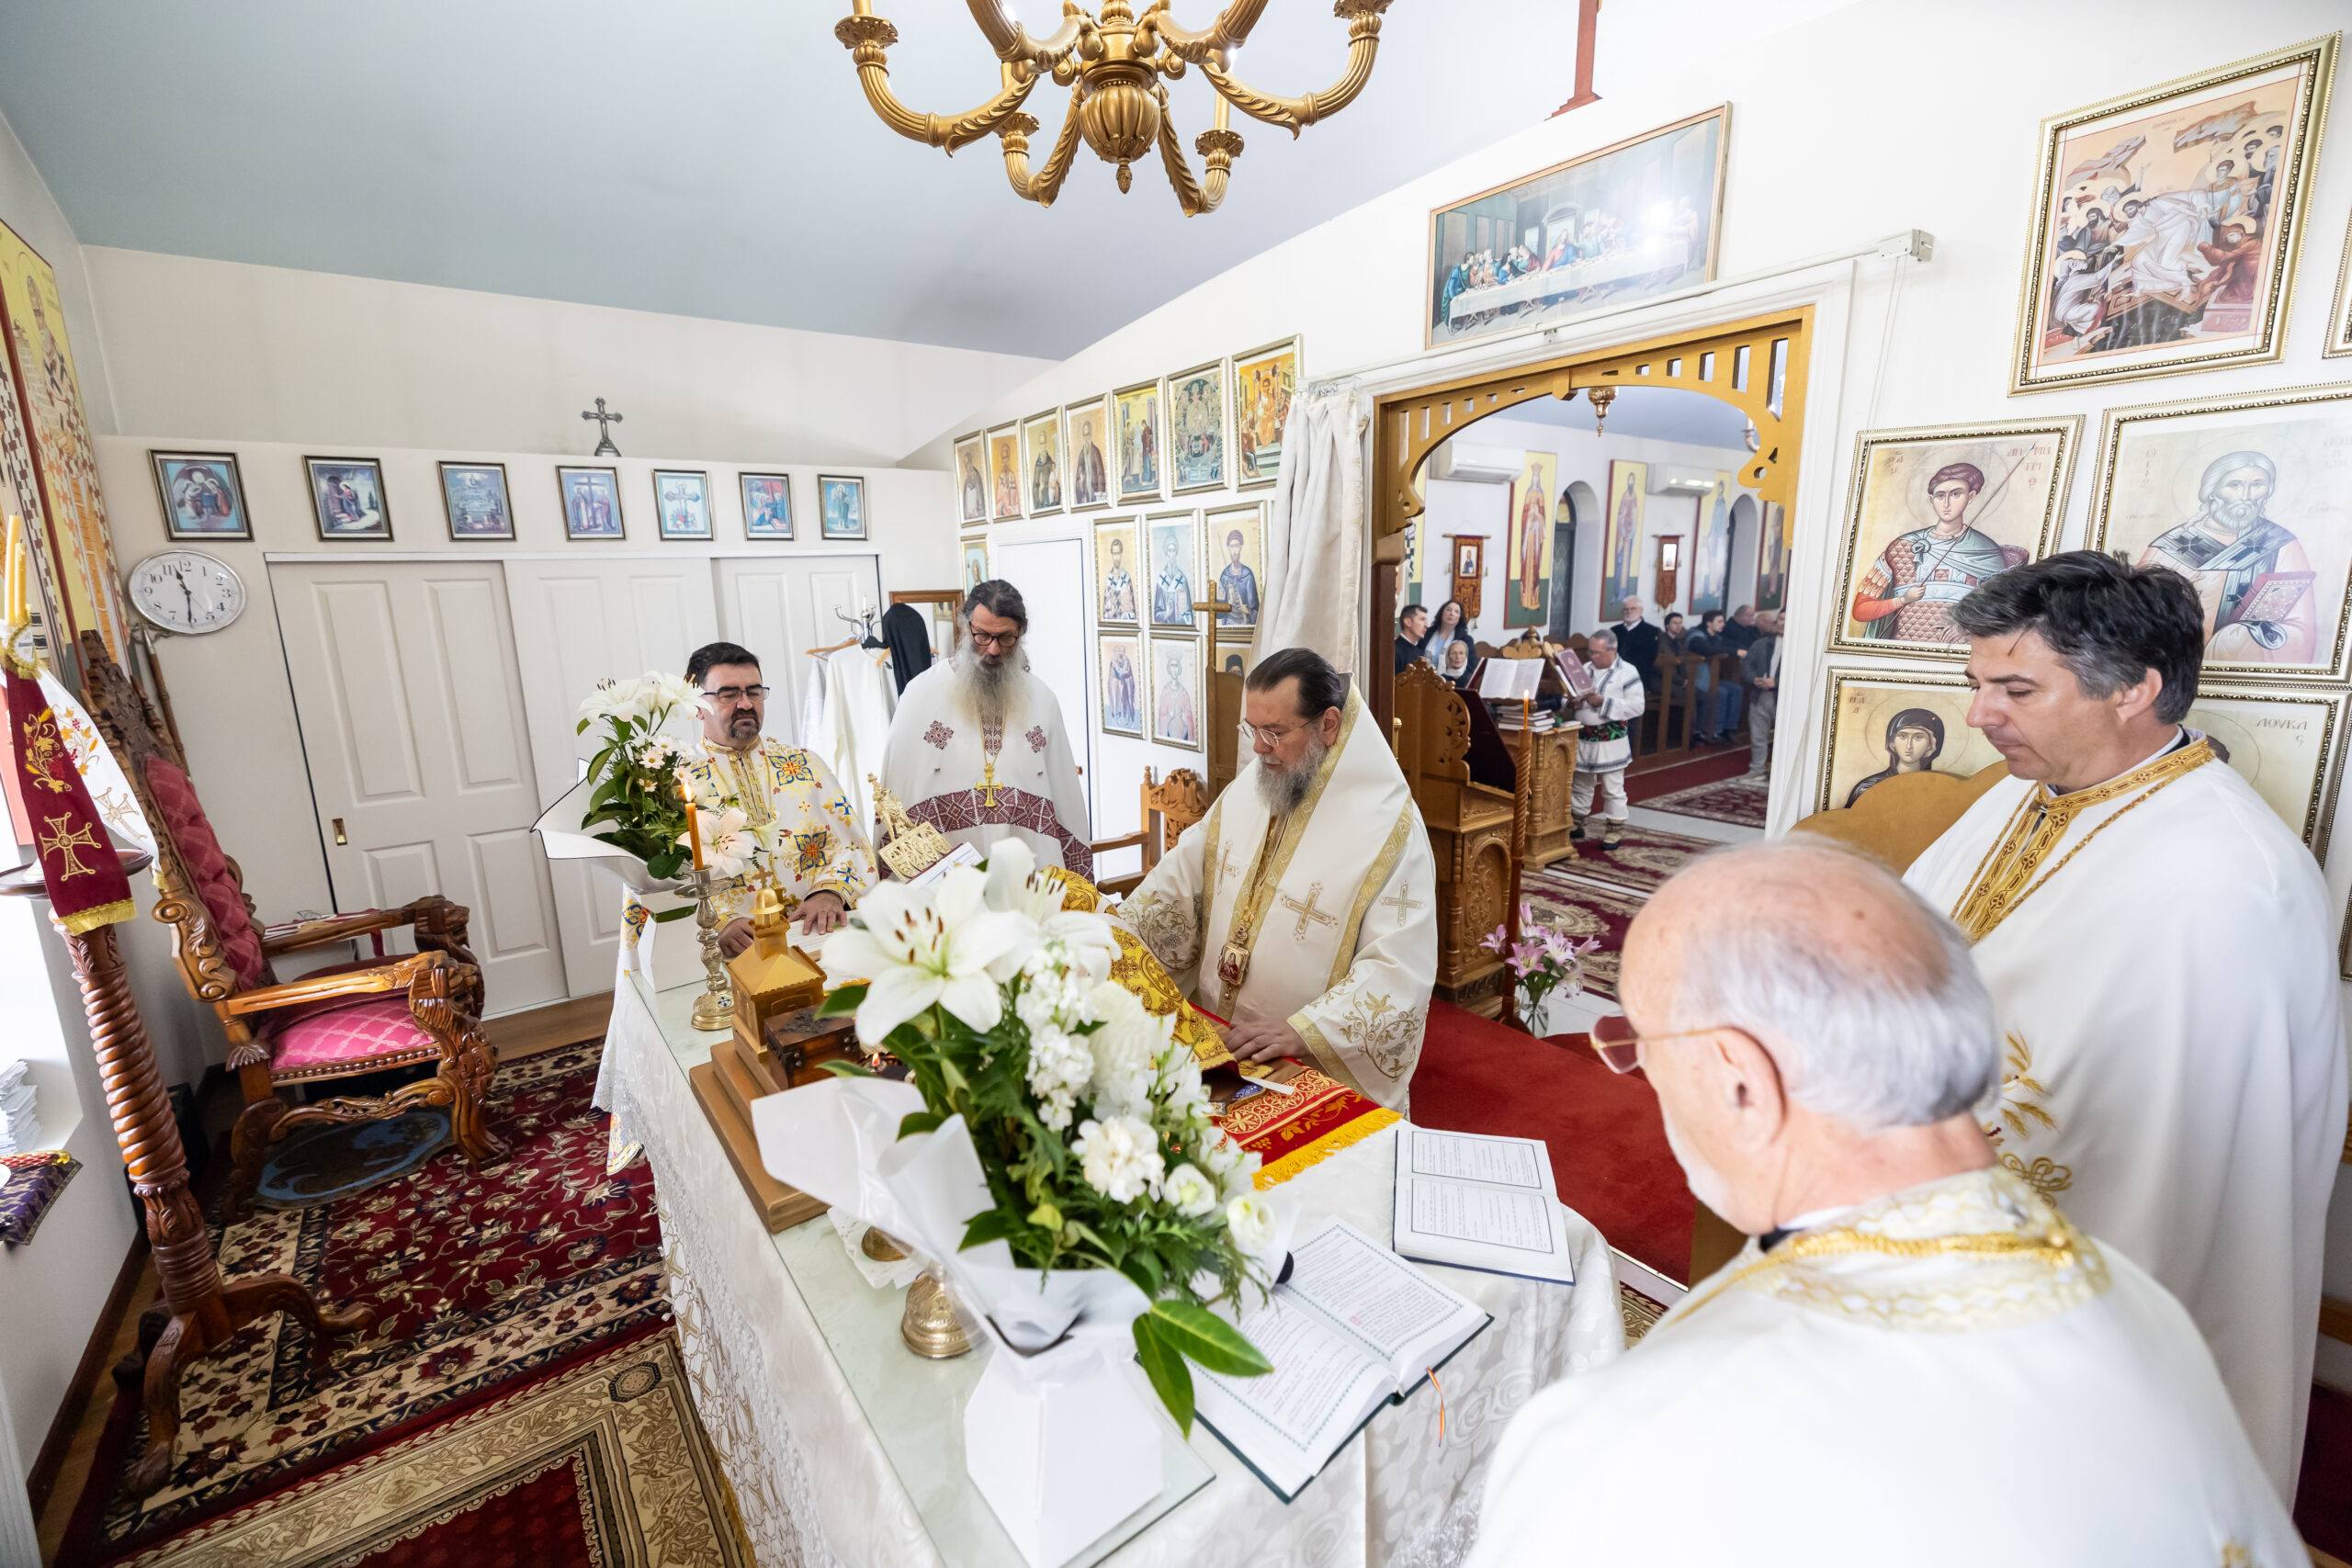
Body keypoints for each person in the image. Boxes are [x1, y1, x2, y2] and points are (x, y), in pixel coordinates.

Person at [1471, 840, 2304, 1568]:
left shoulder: (1633, 1447)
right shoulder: (2141, 1301)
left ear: (1740, 1082)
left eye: (1639, 1047)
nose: (1641, 1075)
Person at [1903, 552, 2345, 1501]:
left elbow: (2164, 1183)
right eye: (1977, 683)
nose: (1977, 714)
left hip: (2072, 1281)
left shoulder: (2224, 883)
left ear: (2133, 690)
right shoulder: (2021, 794)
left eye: (2015, 688)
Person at [1115, 649, 1437, 1111]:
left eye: (1275, 732)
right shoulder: (1252, 788)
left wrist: (1305, 1031)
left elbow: (1399, 967)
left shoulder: (1390, 828)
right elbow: (1182, 876)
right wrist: (1114, 937)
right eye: (1252, 729)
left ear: (1328, 725)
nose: (1258, 748)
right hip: (1217, 1043)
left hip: (1308, 1068)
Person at [673, 641, 876, 960]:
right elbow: (665, 884)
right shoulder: (677, 782)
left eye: (754, 692)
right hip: (738, 955)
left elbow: (853, 846)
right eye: (728, 694)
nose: (745, 704)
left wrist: (830, 892)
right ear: (697, 704)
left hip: (817, 940)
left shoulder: (806, 764)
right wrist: (720, 922)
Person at [877, 580, 1094, 875]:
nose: (993, 649)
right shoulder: (920, 696)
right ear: (965, 627)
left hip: (1027, 880)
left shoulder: (1043, 701)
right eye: (982, 635)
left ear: (1021, 634)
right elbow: (896, 801)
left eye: (1006, 638)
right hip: (943, 883)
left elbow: (1065, 798)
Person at [2135, 449, 2314, 664]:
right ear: (2212, 491)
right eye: (2234, 485)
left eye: (2257, 485)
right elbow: (2137, 618)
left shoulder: (2281, 544)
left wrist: (2241, 637)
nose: (2246, 496)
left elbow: (2301, 628)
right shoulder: (2170, 547)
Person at [1849, 462, 2027, 645]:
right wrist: (1902, 600)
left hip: (1957, 653)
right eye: (1940, 496)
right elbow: (1861, 610)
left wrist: (1968, 629)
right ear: (1931, 499)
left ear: (1971, 496)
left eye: (1956, 494)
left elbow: (2006, 616)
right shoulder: (1901, 547)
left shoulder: (1987, 551)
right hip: (1900, 649)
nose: (1947, 504)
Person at [1569, 627, 1644, 851]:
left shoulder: (1627, 672)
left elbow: (1637, 706)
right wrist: (1572, 701)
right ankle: (1576, 821)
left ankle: (1614, 828)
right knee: (1581, 782)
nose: (1591, 656)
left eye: (1596, 653)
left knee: (1612, 786)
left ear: (1613, 651)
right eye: (1590, 651)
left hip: (1611, 738)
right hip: (1584, 736)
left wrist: (1604, 702)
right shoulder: (1584, 669)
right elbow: (1568, 696)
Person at [1844, 707, 1944, 807]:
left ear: (1931, 745)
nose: (1909, 746)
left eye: (1918, 737)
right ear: (1892, 743)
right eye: (1902, 736)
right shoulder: (1868, 789)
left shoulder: (1941, 789)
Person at [1687, 609, 1741, 743]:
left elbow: (1728, 644)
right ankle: (1712, 731)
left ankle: (1728, 729)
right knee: (1721, 692)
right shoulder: (1696, 637)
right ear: (1709, 623)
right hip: (1697, 678)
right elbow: (1708, 650)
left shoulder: (1716, 637)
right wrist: (1735, 651)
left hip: (1711, 677)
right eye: (1720, 621)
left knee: (1736, 689)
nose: (1723, 624)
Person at [1744, 611, 1781, 776]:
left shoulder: (1801, 646)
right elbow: (1747, 665)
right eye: (1781, 619)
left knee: (1784, 737)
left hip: (1784, 697)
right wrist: (1754, 679)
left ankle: (1780, 773)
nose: (1783, 623)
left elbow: (1804, 673)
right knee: (1758, 734)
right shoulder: (1761, 644)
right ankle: (1757, 769)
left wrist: (1777, 682)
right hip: (1760, 694)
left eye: (1787, 620)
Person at [1216, 528, 1260, 629]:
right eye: (1232, 546)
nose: (1234, 551)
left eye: (1236, 546)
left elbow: (1257, 610)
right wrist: (1228, 603)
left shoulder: (1248, 575)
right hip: (1228, 627)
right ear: (1228, 548)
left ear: (1241, 547)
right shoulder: (1225, 576)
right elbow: (1218, 613)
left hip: (1245, 626)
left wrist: (1248, 611)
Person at [1613, 598, 1660, 691]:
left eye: (1633, 608)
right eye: (1626, 609)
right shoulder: (1614, 631)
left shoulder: (1652, 631)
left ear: (1641, 610)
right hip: (1615, 675)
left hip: (1639, 676)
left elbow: (1648, 659)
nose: (1629, 612)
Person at [1154, 649, 1197, 743]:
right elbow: (1161, 716)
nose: (1174, 669)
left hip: (1183, 734)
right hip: (1169, 733)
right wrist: (1169, 717)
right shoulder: (1165, 691)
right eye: (1172, 666)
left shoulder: (1183, 692)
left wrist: (1185, 719)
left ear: (1179, 668)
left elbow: (1189, 717)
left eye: (1176, 666)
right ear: (1169, 668)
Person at [1151, 529, 1193, 624]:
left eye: (1173, 551)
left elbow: (1189, 612)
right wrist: (1167, 613)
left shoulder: (1182, 579)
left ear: (1176, 553)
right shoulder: (1161, 581)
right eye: (1169, 551)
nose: (1171, 555)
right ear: (1166, 553)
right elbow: (1157, 615)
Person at [1419, 598, 1474, 670]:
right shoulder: (1427, 633)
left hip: (1451, 676)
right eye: (1448, 610)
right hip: (1423, 674)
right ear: (1442, 613)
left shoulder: (1465, 640)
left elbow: (1470, 668)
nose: (1451, 614)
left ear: (1459, 618)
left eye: (1456, 612)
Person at [1071, 413, 1108, 507]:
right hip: (1085, 492)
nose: (1086, 438)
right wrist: (1080, 483)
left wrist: (1100, 489)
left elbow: (1100, 472)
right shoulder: (1081, 455)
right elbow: (1078, 477)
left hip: (1095, 491)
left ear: (1091, 434)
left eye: (1087, 435)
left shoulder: (1095, 451)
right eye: (1084, 435)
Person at [1103, 641, 1139, 732]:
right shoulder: (1114, 661)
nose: (1119, 653)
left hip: (1127, 683)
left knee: (1128, 701)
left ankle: (1131, 721)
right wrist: (1123, 673)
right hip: (1115, 683)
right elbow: (1119, 673)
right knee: (1117, 701)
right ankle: (1117, 719)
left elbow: (1123, 672)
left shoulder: (1126, 660)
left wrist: (1123, 673)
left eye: (1121, 651)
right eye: (1118, 651)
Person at [1100, 536, 1137, 623]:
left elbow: (1132, 611)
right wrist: (1112, 612)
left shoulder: (1126, 578)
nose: (1116, 557)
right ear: (1111, 555)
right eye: (1114, 554)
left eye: (1118, 553)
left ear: (1121, 553)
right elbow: (1105, 612)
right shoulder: (1109, 580)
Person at [1395, 604, 1430, 674]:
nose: (1426, 625)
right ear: (1408, 622)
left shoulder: (1420, 653)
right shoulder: (1393, 651)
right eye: (1422, 619)